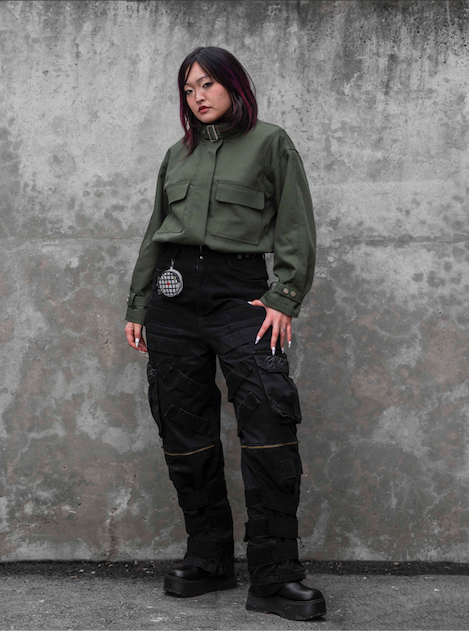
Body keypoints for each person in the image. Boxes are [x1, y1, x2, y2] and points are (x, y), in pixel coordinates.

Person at [124, 46, 325, 621]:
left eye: (207, 84)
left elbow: (296, 222)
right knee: (183, 432)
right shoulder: (177, 155)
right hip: (172, 298)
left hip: (241, 296)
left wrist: (284, 296)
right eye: (188, 89)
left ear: (234, 85)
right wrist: (138, 303)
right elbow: (156, 232)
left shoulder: (271, 143)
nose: (198, 97)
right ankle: (208, 559)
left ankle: (275, 577)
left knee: (268, 427)